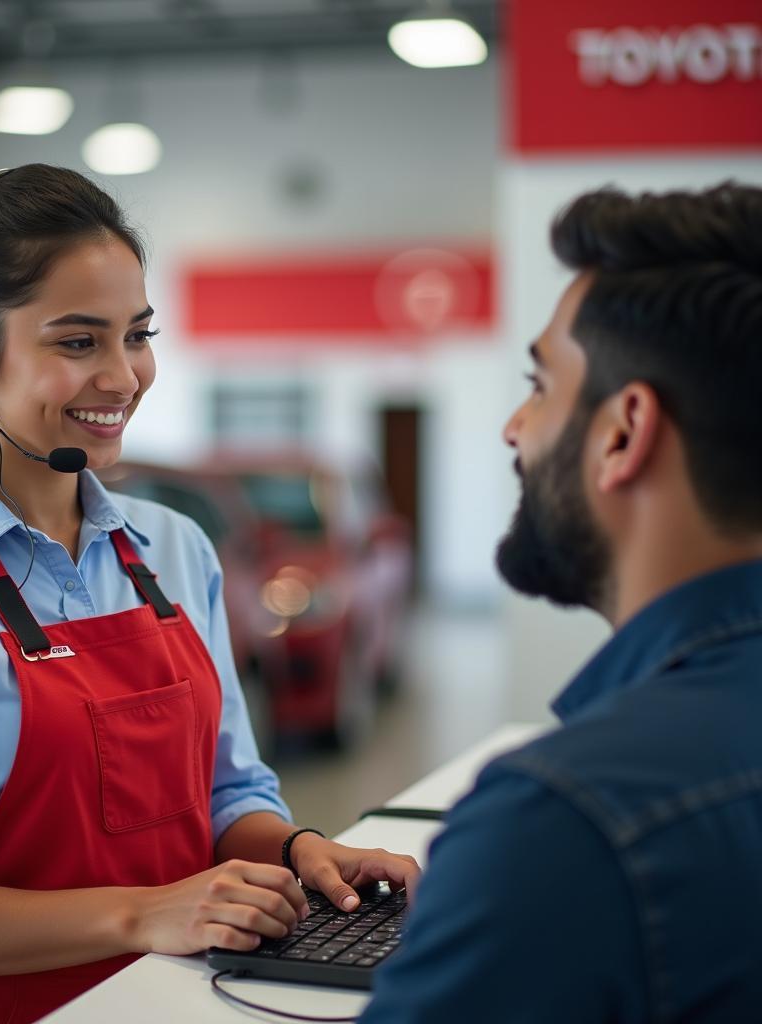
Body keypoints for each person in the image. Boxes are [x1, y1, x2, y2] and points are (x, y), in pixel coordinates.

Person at [0, 163, 420, 1024]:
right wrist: (145, 912)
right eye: (78, 342)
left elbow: (229, 794)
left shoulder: (175, 551)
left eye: (138, 335)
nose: (124, 377)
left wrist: (305, 852)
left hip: (176, 1006)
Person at [361, 181, 762, 1023]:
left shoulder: (564, 824)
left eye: (540, 385)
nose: (515, 426)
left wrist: (503, 892)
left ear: (622, 433)